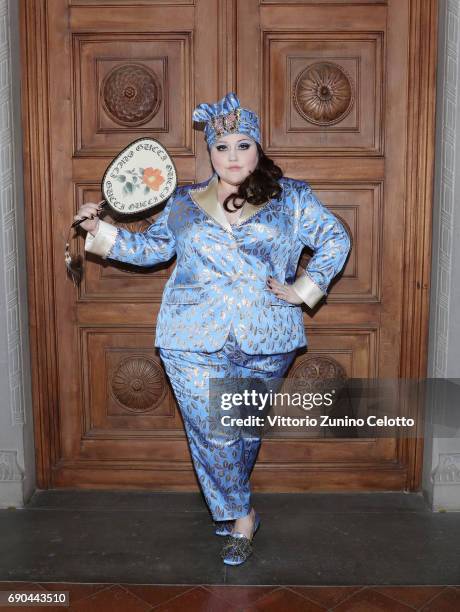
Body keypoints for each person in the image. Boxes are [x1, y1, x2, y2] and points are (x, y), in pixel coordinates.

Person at [75, 92, 351, 566]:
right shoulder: (182, 202)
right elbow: (151, 250)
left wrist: (303, 288)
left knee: (242, 430)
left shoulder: (293, 197)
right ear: (210, 151)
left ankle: (232, 506)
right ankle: (241, 516)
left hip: (269, 334)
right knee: (213, 430)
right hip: (190, 336)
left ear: (258, 147)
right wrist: (98, 233)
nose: (234, 156)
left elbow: (334, 239)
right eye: (223, 147)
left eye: (243, 145)